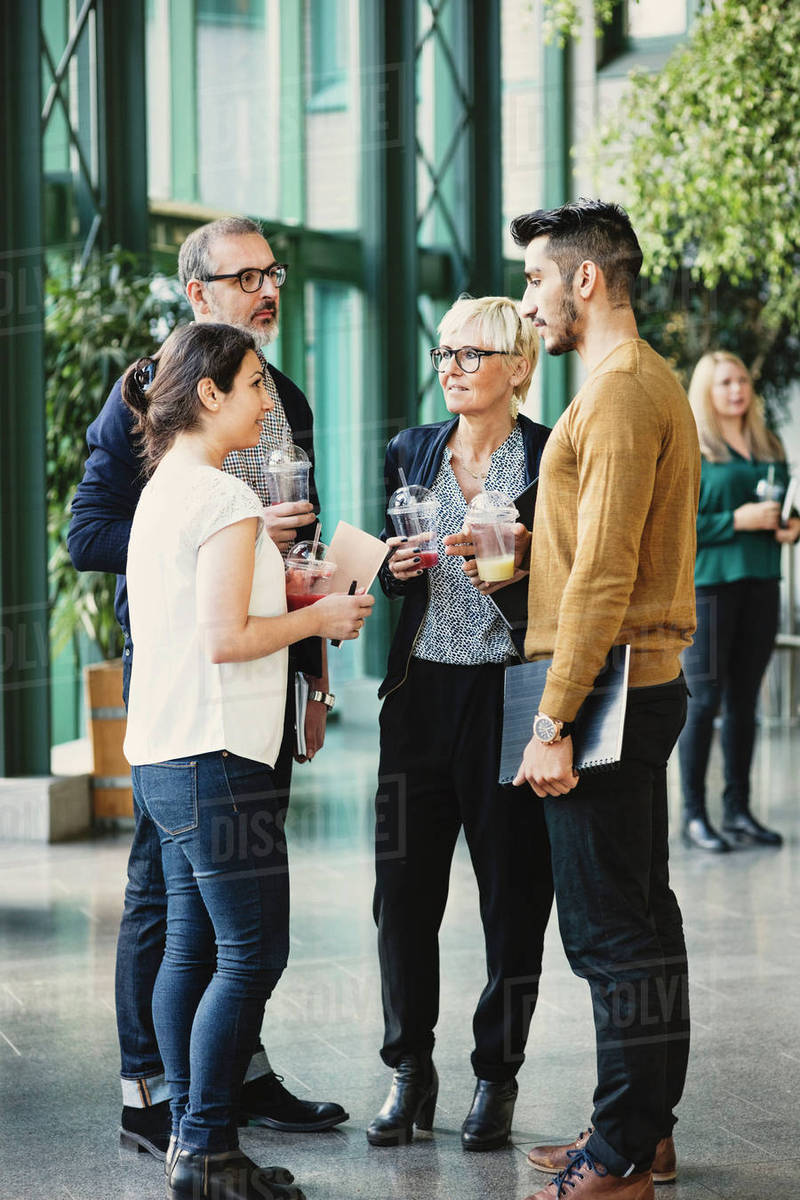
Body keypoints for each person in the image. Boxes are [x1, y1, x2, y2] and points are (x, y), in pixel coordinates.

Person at [67, 217, 347, 1160]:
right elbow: (88, 534)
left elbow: (295, 540)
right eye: (246, 276)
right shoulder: (151, 397)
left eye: (275, 272)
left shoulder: (283, 397)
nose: (269, 290)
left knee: (228, 910)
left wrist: (310, 655)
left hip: (265, 671)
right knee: (171, 897)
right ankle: (151, 1093)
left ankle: (232, 1081)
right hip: (188, 678)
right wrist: (226, 537)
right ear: (197, 295)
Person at [120, 322, 372, 1200]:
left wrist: (284, 589)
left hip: (165, 755)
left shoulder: (166, 488)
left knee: (192, 950)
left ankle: (194, 1141)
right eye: (257, 384)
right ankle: (208, 1150)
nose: (270, 402)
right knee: (252, 955)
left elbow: (203, 616)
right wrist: (320, 619)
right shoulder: (225, 497)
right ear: (210, 393)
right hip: (220, 757)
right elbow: (226, 639)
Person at [511, 200, 698, 1200]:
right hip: (634, 681)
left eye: (537, 279)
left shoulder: (619, 393)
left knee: (607, 931)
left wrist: (552, 719)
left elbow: (604, 573)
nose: (529, 301)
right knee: (642, 915)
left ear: (585, 279)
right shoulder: (639, 381)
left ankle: (619, 1157)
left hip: (606, 688)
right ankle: (642, 1128)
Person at [367, 296, 553, 1153]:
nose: (451, 367)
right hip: (420, 695)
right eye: (444, 352)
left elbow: (576, 570)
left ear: (517, 366)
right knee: (402, 892)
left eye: (471, 354)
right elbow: (394, 569)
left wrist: (518, 568)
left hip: (510, 694)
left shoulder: (551, 456)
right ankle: (409, 1067)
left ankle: (496, 1074)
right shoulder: (413, 449)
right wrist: (395, 567)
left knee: (513, 895)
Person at [677, 350, 799, 852]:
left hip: (761, 583)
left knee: (745, 702)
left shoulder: (767, 443)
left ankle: (738, 810)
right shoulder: (693, 447)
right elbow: (676, 526)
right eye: (725, 382)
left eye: (742, 380)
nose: (737, 390)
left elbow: (786, 505)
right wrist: (736, 521)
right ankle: (693, 815)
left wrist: (792, 525)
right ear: (706, 391)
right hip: (709, 588)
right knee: (704, 702)